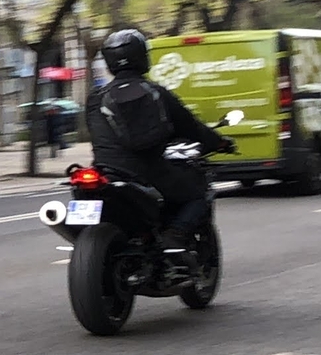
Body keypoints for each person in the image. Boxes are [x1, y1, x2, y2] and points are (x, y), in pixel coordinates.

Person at [84, 28, 233, 253]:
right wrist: (219, 143)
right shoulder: (155, 92)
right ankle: (176, 233)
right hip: (148, 172)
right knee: (198, 194)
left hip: (106, 173)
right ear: (142, 56)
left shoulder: (95, 98)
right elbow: (191, 127)